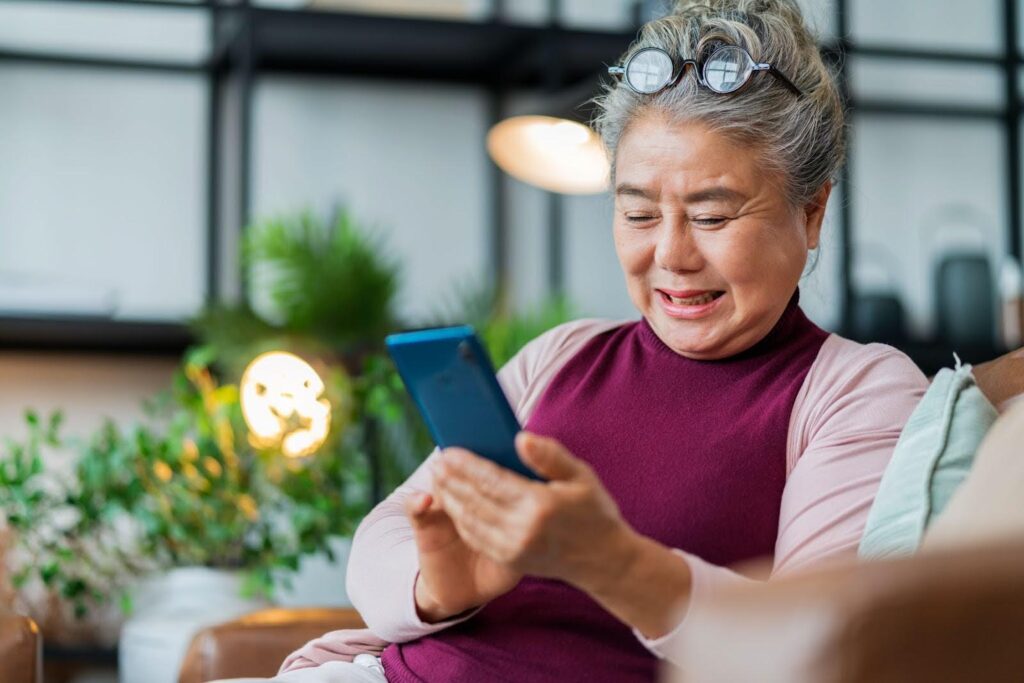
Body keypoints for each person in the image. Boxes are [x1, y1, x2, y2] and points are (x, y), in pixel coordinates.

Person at [237, 1, 930, 681]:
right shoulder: (564, 354)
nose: (671, 253)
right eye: (637, 211)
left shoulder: (856, 390)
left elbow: (815, 645)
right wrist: (444, 584)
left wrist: (610, 560)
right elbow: (384, 535)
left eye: (713, 215)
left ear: (812, 212)